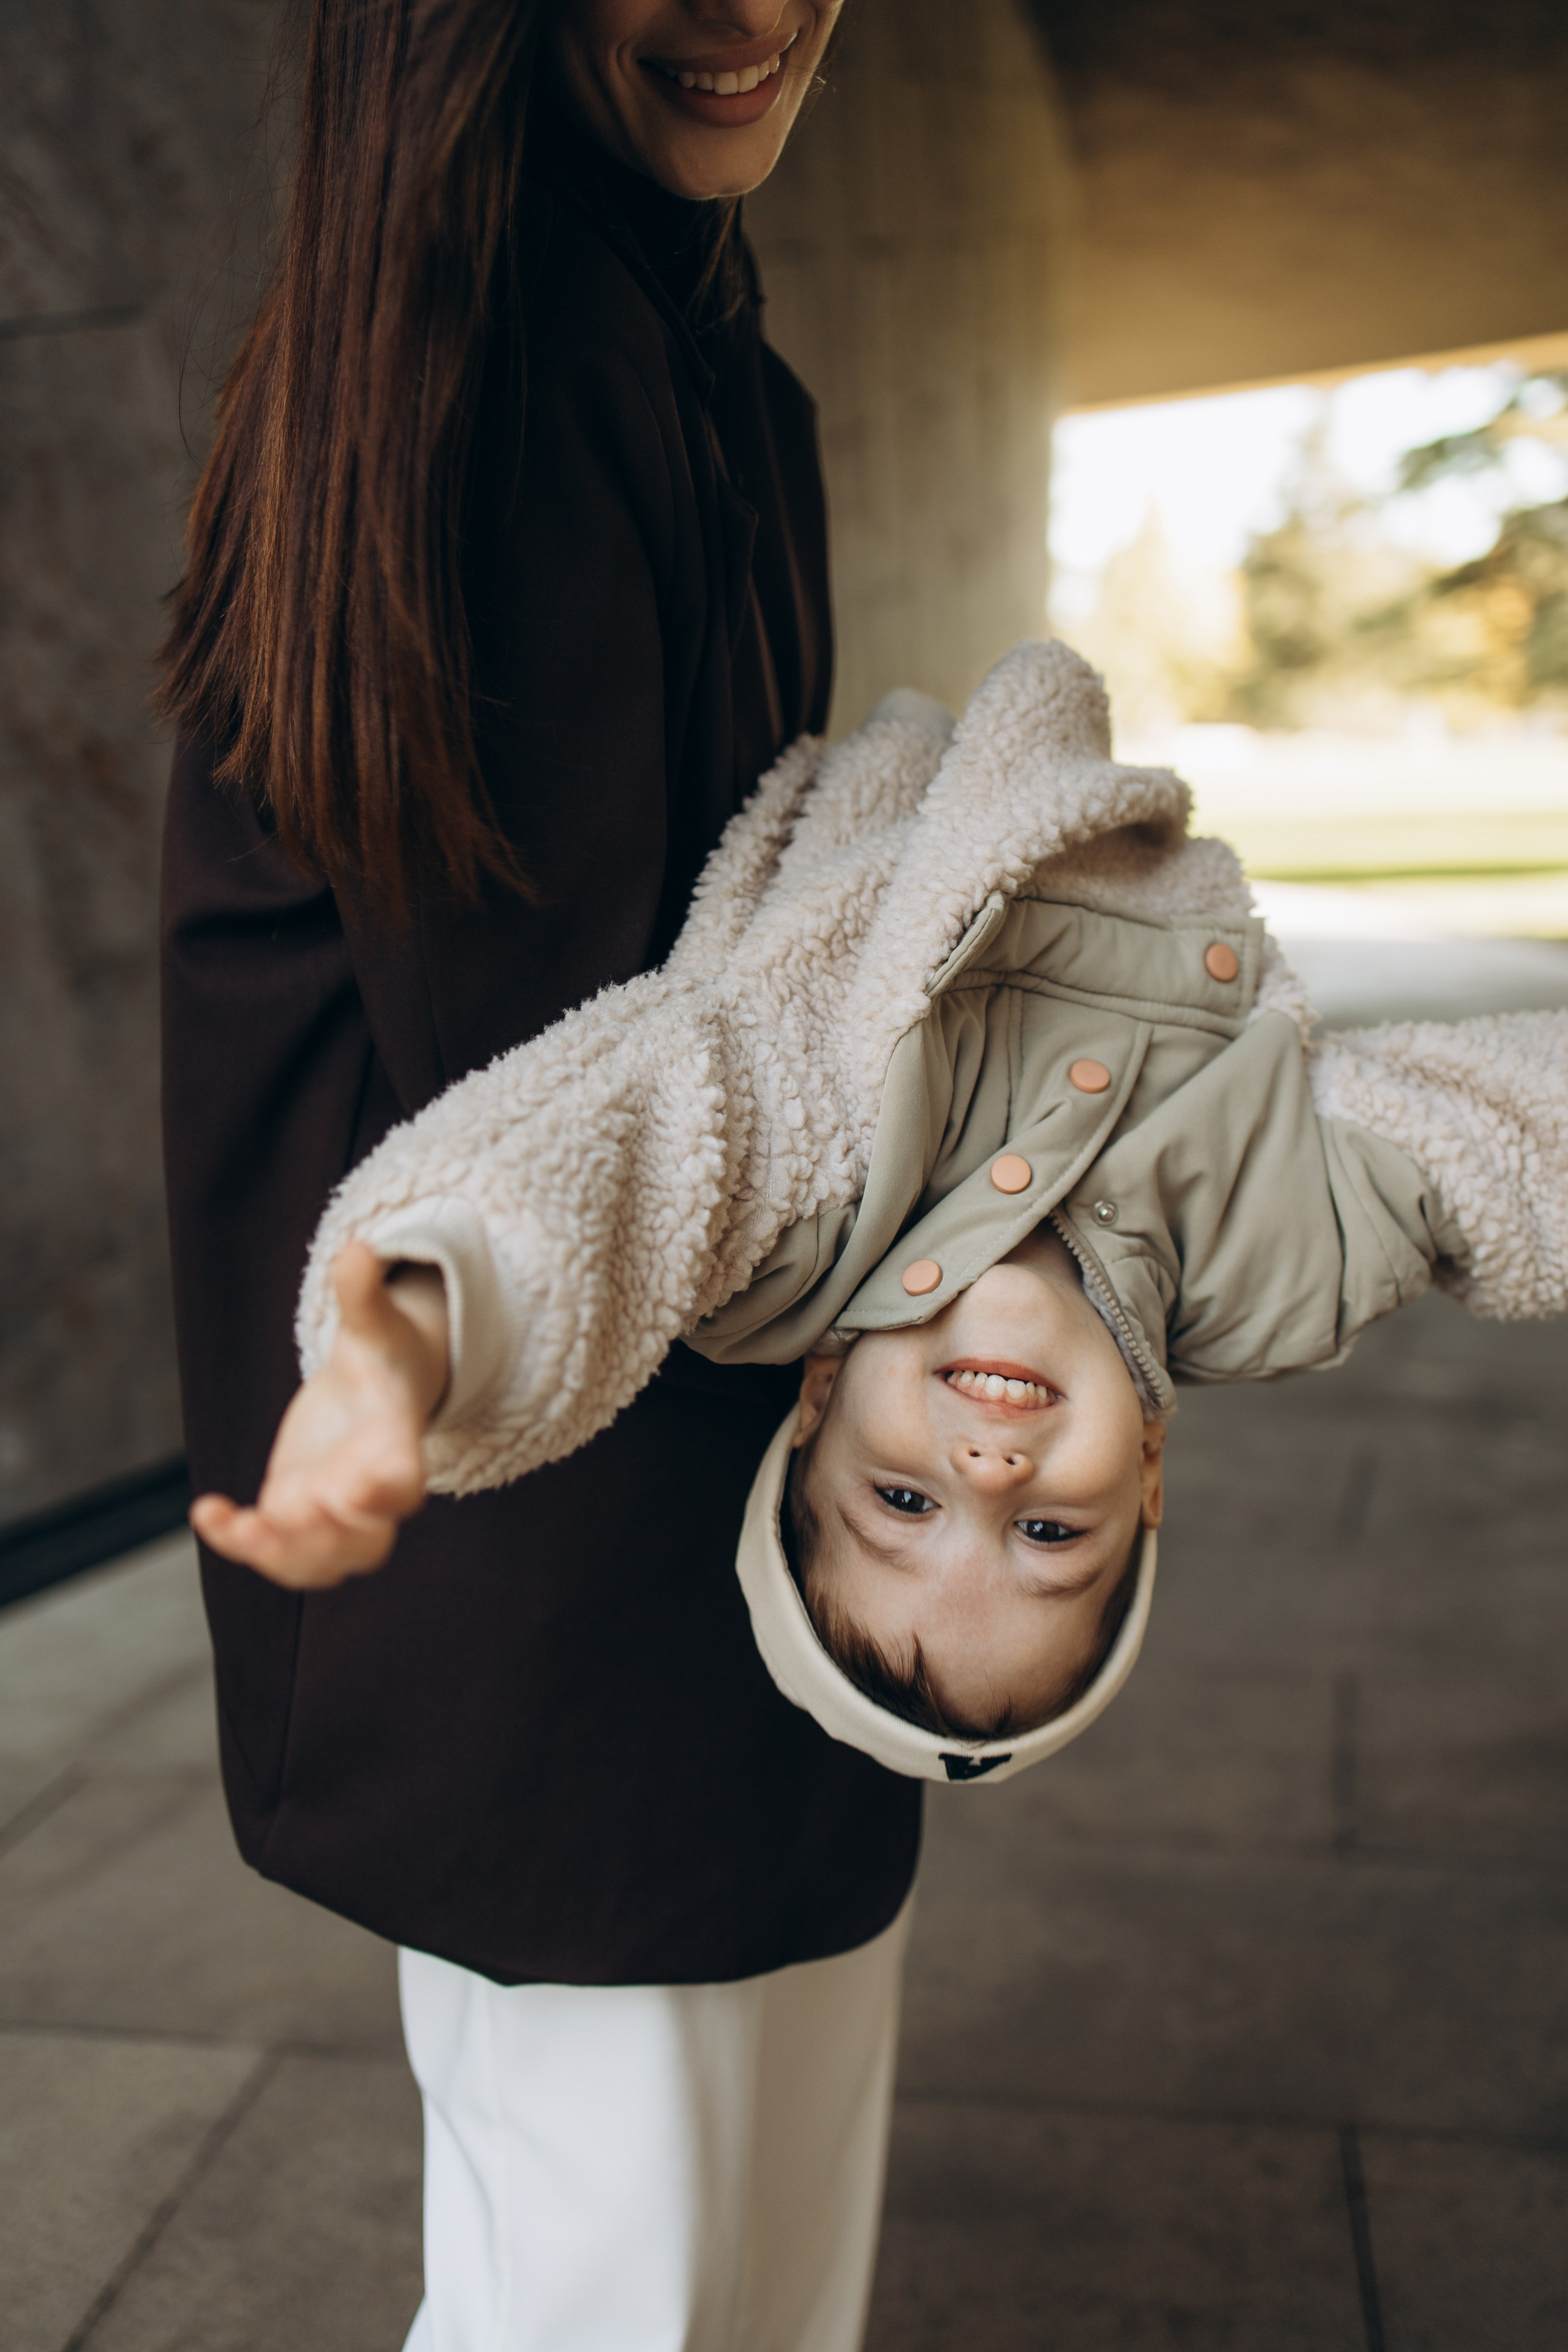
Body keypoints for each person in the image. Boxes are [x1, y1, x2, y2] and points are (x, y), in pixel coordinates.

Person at [158, 6, 925, 2350]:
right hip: (555, 1576)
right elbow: (574, 1072)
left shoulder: (709, 365)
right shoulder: (496, 375)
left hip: (700, 1553)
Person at [197, 639, 1568, 1789]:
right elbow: (1507, 1147)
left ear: (819, 1400)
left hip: (866, 794)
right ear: (1147, 1478)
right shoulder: (1274, 1266)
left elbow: (613, 1161)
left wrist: (410, 1357)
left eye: (901, 1500)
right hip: (1083, 807)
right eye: (1051, 1538)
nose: (988, 1476)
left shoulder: (801, 1226)